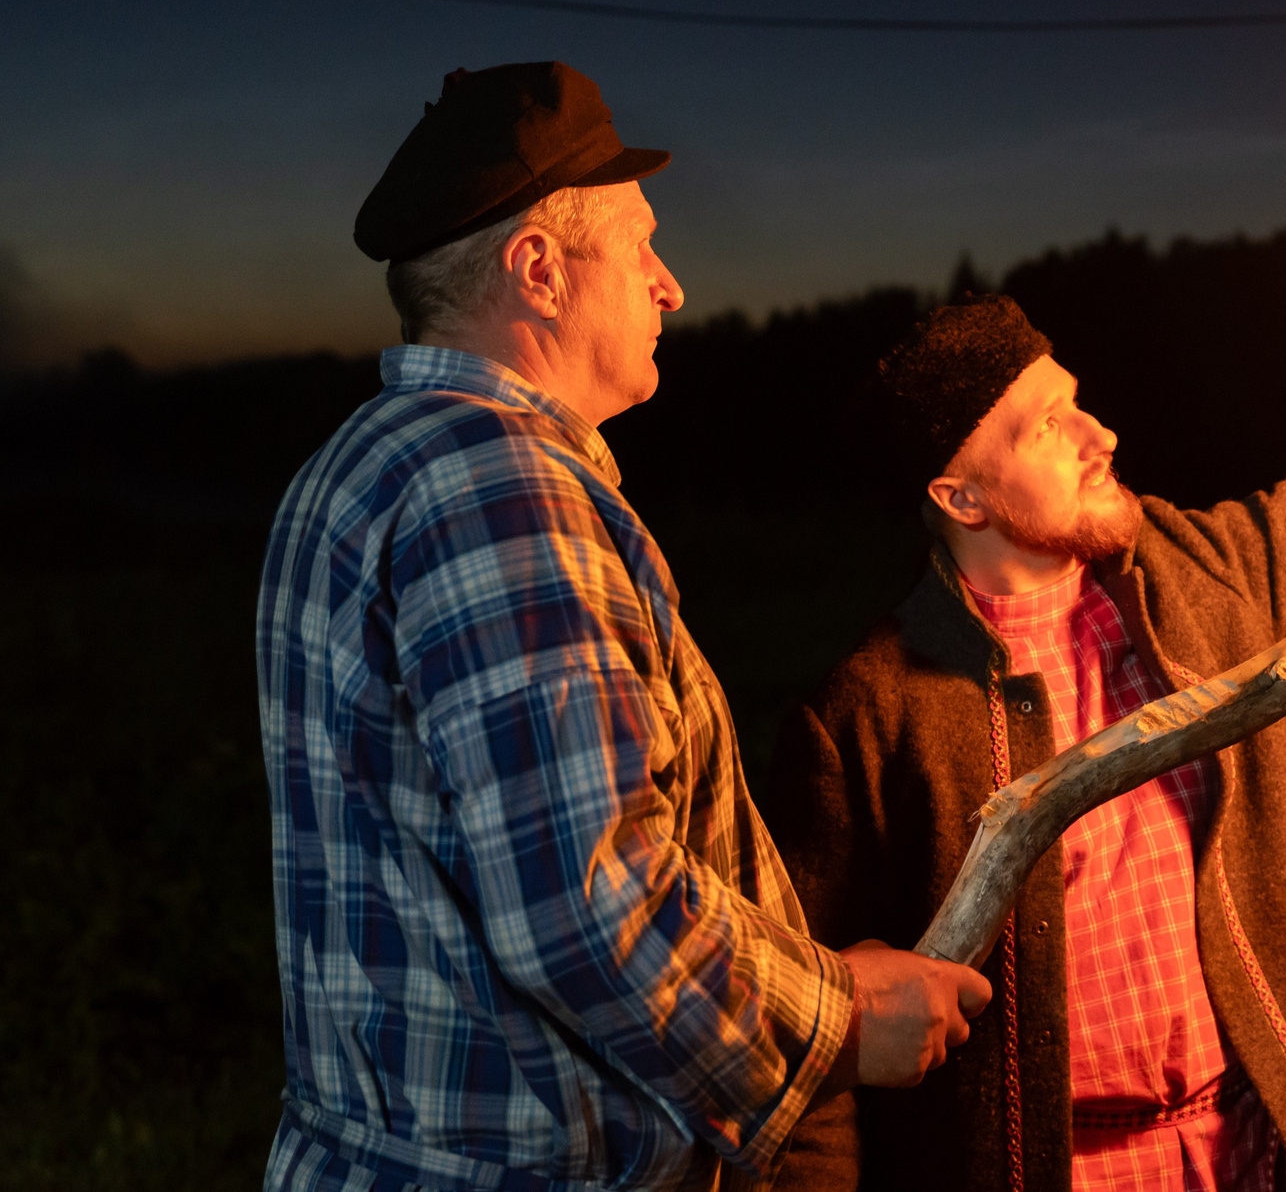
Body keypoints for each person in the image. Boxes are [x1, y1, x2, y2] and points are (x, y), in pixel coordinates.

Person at [258, 63, 989, 1192]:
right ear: (540, 271)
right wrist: (837, 1020)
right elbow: (585, 904)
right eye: (640, 245)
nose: (671, 285)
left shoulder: (359, 465)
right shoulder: (498, 493)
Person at [763, 295, 1286, 1192]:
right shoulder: (871, 713)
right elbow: (816, 1044)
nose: (1099, 433)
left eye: (1077, 399)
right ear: (961, 497)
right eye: (1046, 427)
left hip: (1257, 1149)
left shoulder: (1200, 580)